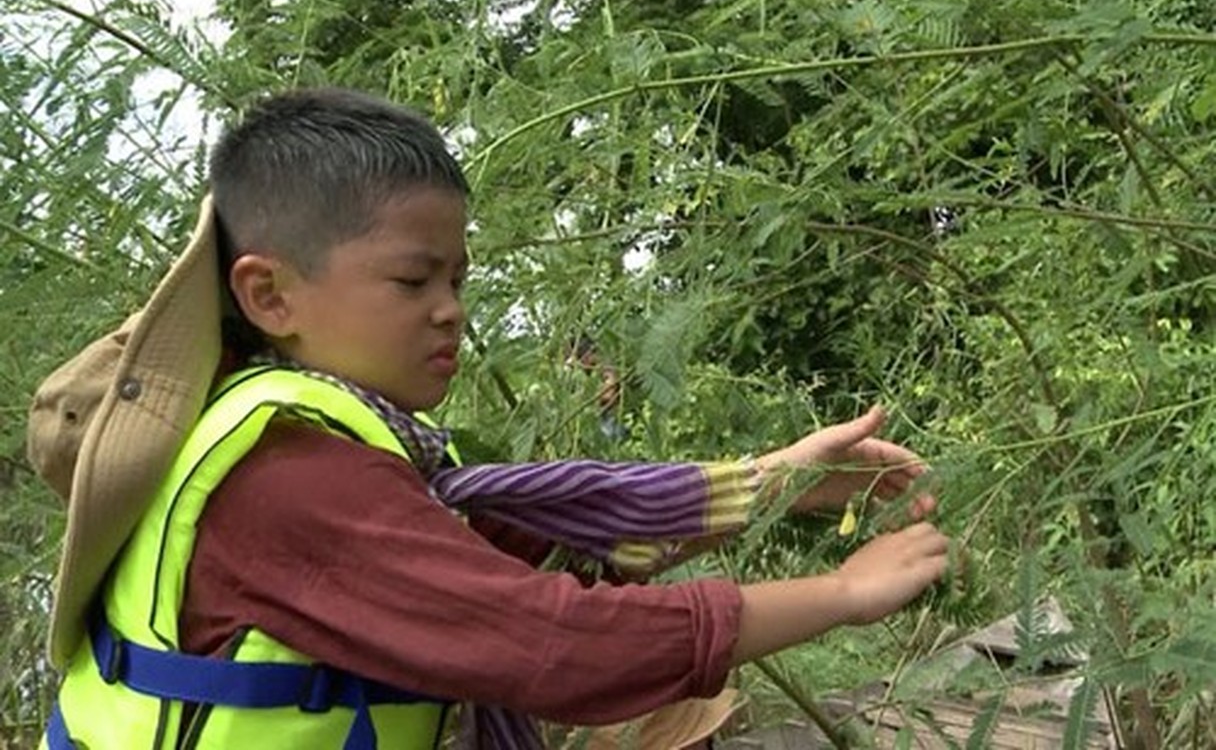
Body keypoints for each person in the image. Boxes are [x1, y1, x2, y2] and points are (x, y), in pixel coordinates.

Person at [26, 88, 950, 750]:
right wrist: (843, 596)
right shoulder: (288, 477)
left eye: (459, 279)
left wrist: (779, 480)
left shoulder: (311, 428)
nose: (451, 309)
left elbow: (539, 547)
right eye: (413, 279)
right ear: (269, 294)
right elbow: (555, 642)